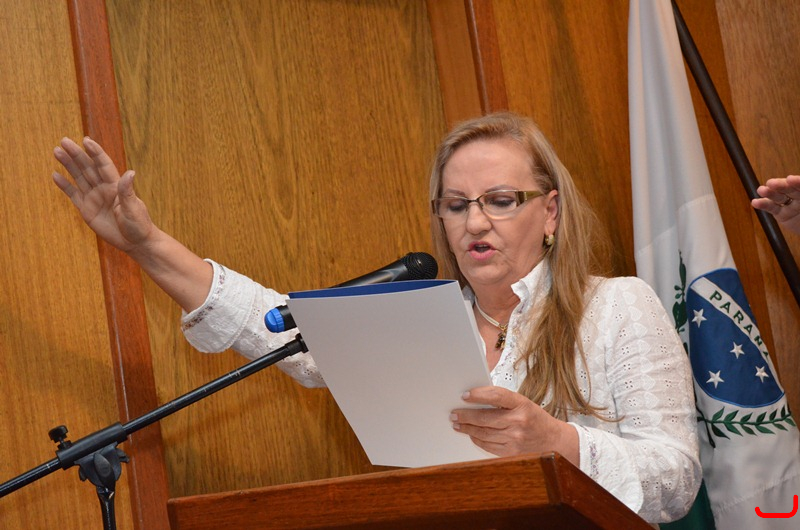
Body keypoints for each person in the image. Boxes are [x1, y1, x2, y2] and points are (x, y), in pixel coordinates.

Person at [53, 112, 700, 524]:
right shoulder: (421, 322)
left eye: (501, 200)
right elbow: (277, 327)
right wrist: (146, 244)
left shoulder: (616, 306)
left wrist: (558, 442)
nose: (475, 222)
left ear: (550, 212)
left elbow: (676, 477)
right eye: (456, 205)